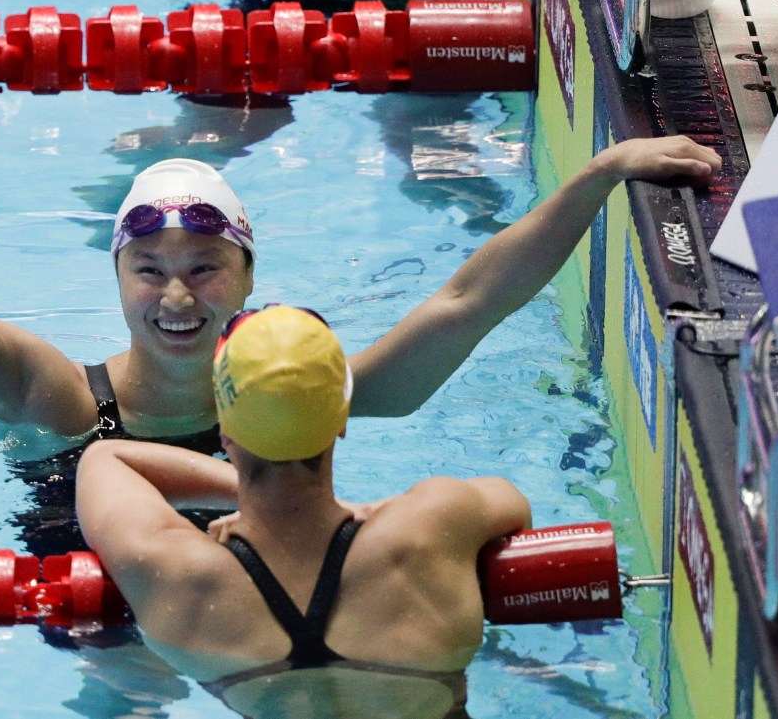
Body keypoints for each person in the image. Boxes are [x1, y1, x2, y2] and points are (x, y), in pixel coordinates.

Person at [0, 0, 722, 468]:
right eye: (149, 268)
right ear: (115, 278)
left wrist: (601, 173)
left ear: (250, 275)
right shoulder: (46, 396)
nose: (177, 293)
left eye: (204, 266)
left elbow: (468, 299)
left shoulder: (306, 398)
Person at [75, 305, 533, 717]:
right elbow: (515, 507)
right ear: (340, 421)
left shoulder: (176, 572)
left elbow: (104, 458)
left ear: (225, 434)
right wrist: (373, 509)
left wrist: (251, 496)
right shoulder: (433, 526)